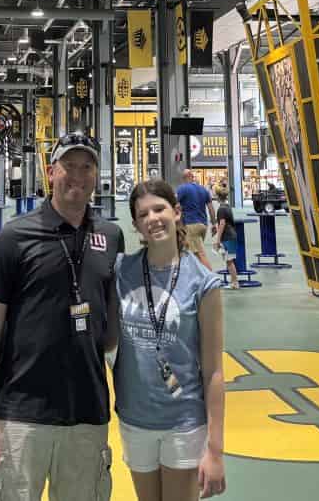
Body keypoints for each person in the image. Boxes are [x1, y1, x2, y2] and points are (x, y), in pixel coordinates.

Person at [0, 132, 125, 501]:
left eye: (86, 166)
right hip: (22, 414)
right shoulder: (15, 237)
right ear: (50, 172)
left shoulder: (111, 235)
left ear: (97, 174)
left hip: (87, 411)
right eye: (68, 166)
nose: (78, 175)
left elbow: (112, 325)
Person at [114, 179, 226, 501]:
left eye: (159, 209)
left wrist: (215, 451)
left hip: (183, 422)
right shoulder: (122, 271)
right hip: (135, 418)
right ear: (136, 224)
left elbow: (214, 371)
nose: (153, 218)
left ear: (176, 212)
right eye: (143, 214)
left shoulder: (203, 283)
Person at [175, 170, 214, 270]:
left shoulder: (182, 188)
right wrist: (214, 224)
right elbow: (211, 208)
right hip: (203, 226)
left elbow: (173, 203)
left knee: (199, 254)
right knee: (191, 253)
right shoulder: (203, 189)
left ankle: (211, 279)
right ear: (193, 177)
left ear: (184, 178)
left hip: (191, 225)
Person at [211, 186, 239, 291]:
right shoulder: (227, 206)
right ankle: (234, 281)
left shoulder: (221, 209)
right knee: (229, 260)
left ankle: (235, 282)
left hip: (228, 237)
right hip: (230, 236)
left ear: (218, 196)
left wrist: (218, 239)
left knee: (229, 261)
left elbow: (222, 223)